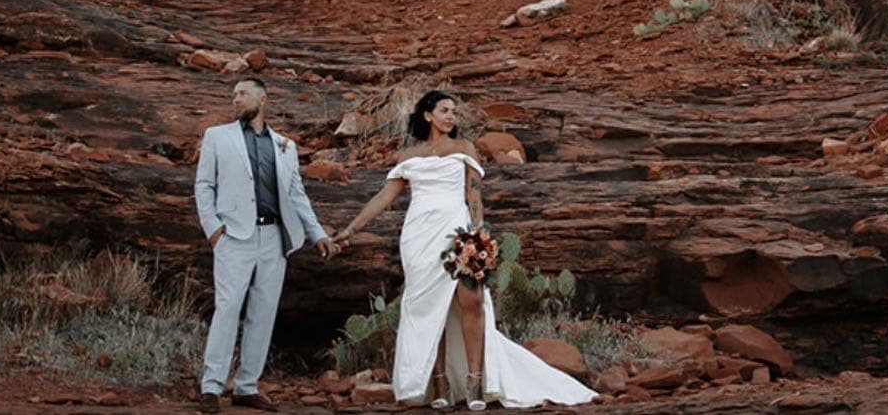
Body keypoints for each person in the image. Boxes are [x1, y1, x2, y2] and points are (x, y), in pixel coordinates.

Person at [334, 90, 597, 409]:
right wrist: (350, 230)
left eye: (454, 112)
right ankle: (440, 383)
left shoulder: (463, 148)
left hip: (458, 233)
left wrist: (478, 234)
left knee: (471, 300)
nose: (450, 116)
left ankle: (475, 381)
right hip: (419, 237)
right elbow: (382, 198)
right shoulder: (408, 156)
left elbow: (474, 196)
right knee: (432, 309)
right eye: (444, 110)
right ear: (427, 115)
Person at [195, 77, 339, 410]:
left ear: (262, 100)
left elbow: (296, 195)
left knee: (263, 313)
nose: (235, 99)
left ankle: (246, 387)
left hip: (274, 237)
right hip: (234, 236)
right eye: (233, 94)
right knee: (228, 309)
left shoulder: (284, 145)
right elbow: (204, 186)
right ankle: (212, 387)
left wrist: (317, 233)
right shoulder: (217, 137)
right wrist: (214, 230)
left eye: (242, 94)